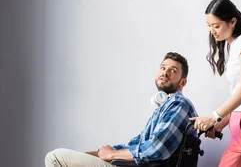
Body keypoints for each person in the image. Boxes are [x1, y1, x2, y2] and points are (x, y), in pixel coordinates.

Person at [45, 52, 198, 167]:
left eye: (173, 70)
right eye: (163, 68)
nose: (165, 72)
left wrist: (112, 154)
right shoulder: (162, 109)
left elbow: (156, 149)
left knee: (55, 157)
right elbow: (134, 145)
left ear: (182, 82)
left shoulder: (178, 104)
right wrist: (96, 155)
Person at [190, 0, 241, 167]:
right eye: (210, 26)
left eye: (217, 25)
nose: (213, 31)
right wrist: (221, 123)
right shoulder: (235, 45)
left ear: (232, 22)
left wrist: (214, 118)